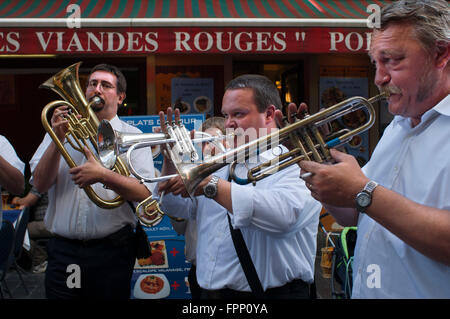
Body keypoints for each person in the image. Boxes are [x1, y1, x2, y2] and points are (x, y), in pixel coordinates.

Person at [279, 0, 450, 298]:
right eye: (375, 63)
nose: (379, 78)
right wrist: (312, 162)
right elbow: (354, 214)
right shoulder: (397, 127)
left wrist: (365, 192)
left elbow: (367, 198)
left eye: (393, 60)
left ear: (440, 55)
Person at [158, 74, 322, 299]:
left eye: (239, 114)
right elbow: (176, 208)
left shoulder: (296, 163)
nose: (228, 123)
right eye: (226, 115)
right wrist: (169, 160)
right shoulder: (218, 163)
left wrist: (211, 185)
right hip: (208, 293)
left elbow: (285, 216)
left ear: (269, 114)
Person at [30, 64, 156, 299]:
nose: (96, 89)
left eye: (105, 85)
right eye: (91, 84)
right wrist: (57, 138)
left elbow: (144, 193)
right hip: (66, 251)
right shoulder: (59, 132)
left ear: (120, 97)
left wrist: (103, 175)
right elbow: (39, 184)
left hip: (112, 249)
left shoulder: (135, 137)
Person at [170, 116, 227, 300]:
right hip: (199, 271)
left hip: (228, 272)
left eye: (213, 141)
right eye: (203, 143)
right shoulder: (193, 176)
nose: (208, 148)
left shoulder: (235, 178)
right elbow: (179, 228)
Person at [12, 188, 51, 273]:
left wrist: (17, 199)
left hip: (48, 223)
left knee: (18, 230)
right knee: (22, 231)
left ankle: (40, 261)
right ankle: (41, 258)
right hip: (53, 223)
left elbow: (28, 201)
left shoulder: (42, 179)